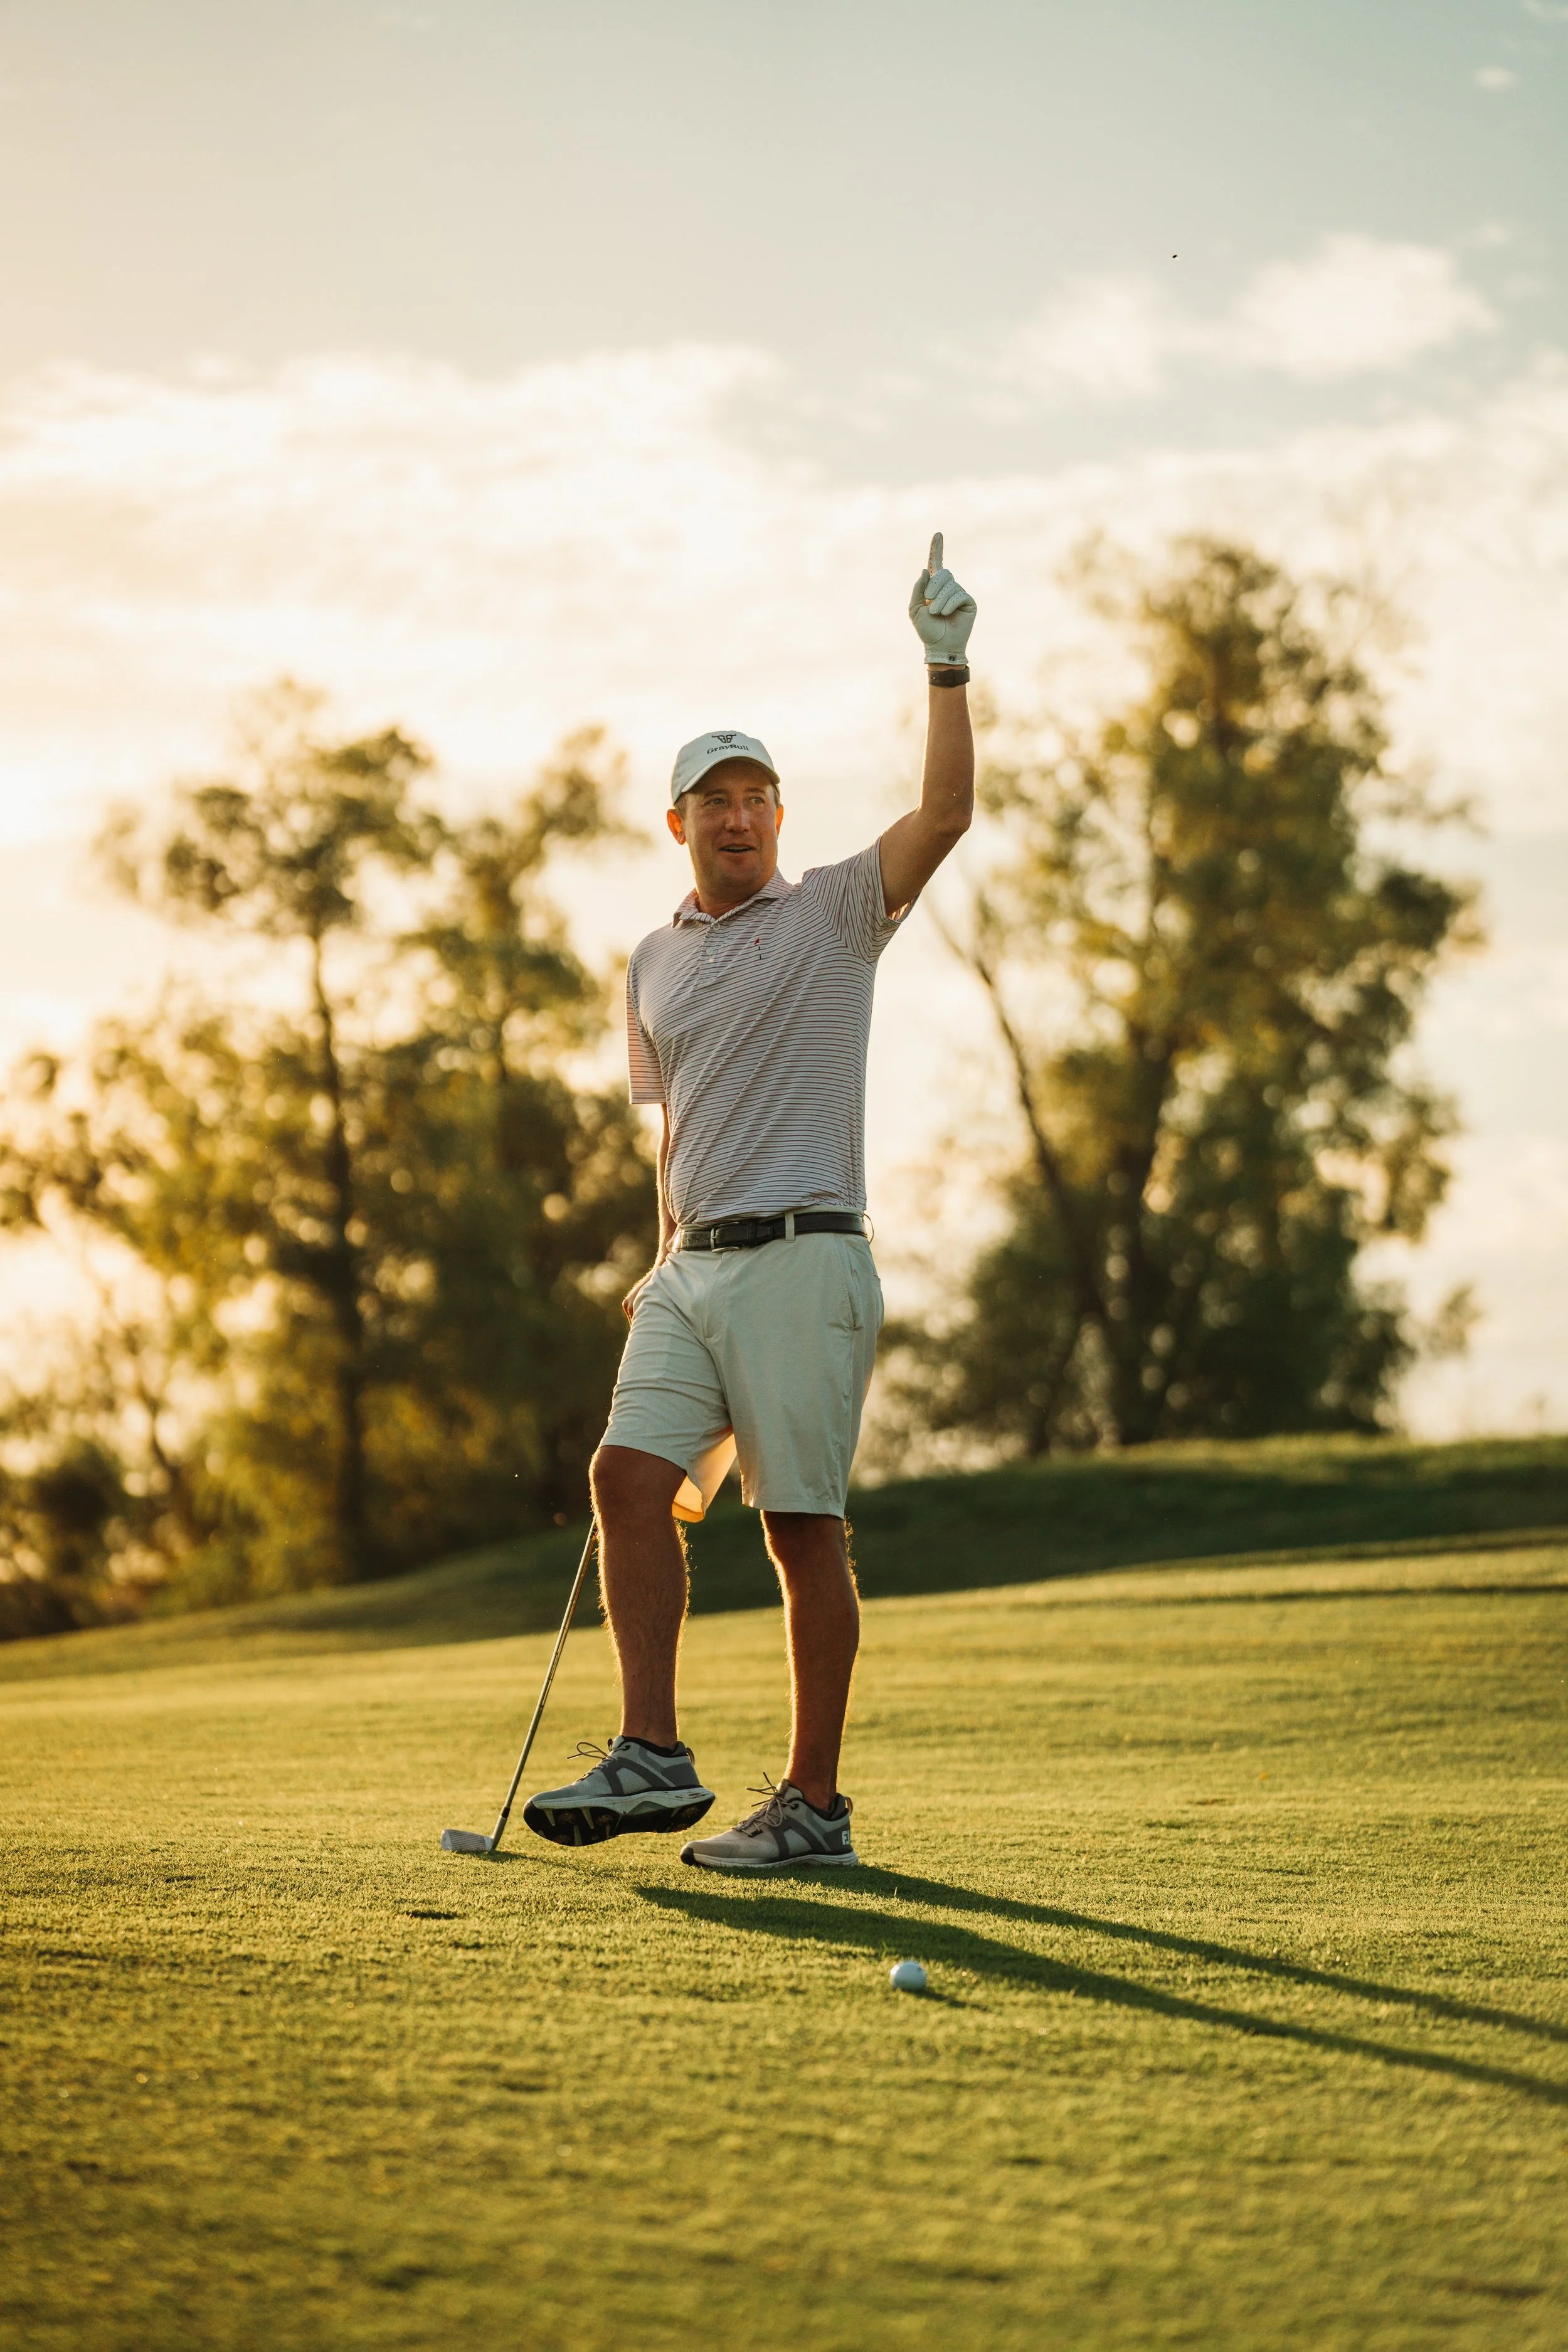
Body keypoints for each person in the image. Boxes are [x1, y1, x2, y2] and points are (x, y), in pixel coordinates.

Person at [522, 536, 977, 1869]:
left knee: (797, 1532)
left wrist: (945, 667)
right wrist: (656, 1255)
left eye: (757, 797)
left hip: (803, 1261)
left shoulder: (837, 912)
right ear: (676, 825)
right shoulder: (651, 962)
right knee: (620, 1477)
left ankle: (813, 1809)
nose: (737, 817)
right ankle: (653, 1754)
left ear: (780, 817)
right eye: (712, 800)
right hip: (690, 1272)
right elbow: (673, 1130)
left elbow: (943, 816)